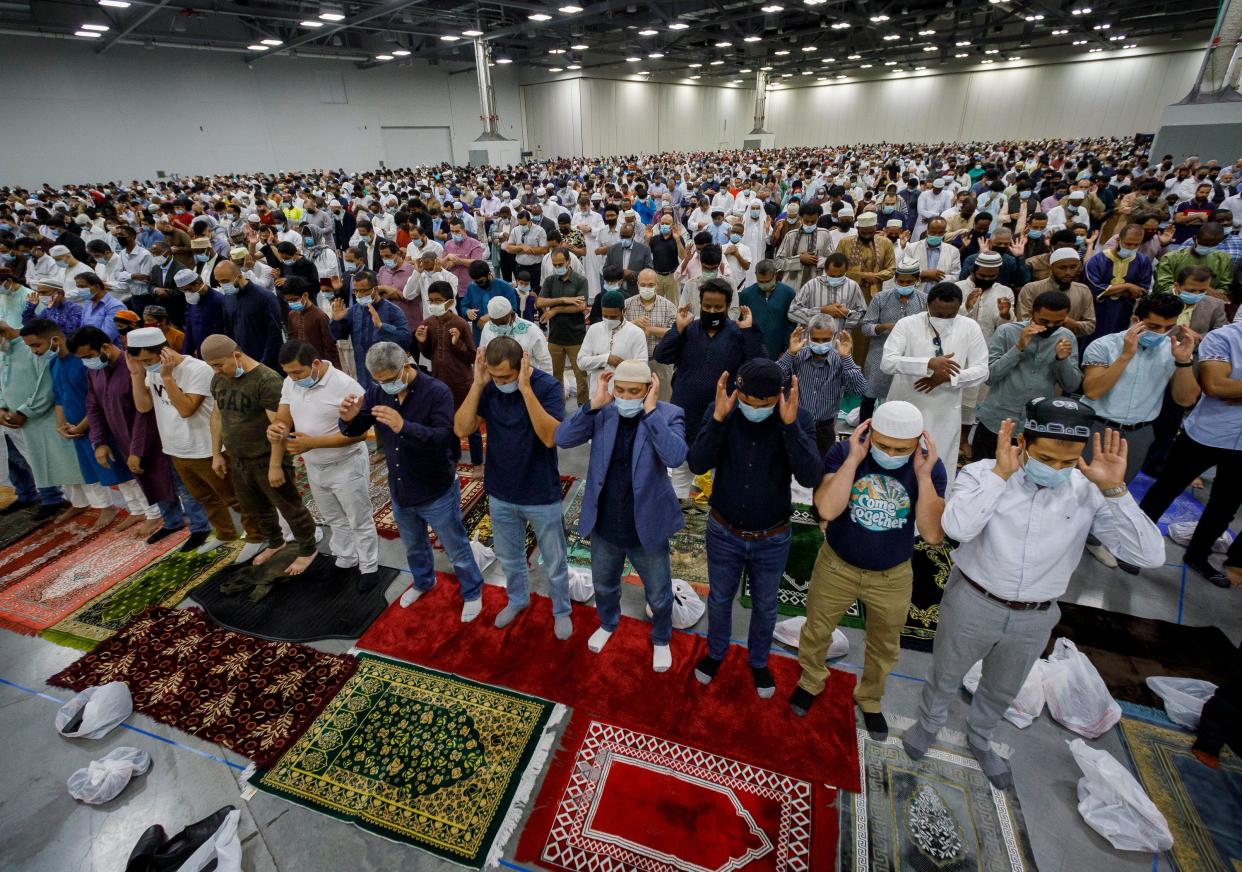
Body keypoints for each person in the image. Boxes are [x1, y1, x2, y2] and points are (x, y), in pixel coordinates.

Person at [902, 401, 1165, 788]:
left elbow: (1148, 555)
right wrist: (999, 476)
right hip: (974, 600)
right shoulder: (981, 474)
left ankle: (980, 738)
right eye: (1046, 458)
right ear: (1022, 442)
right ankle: (928, 724)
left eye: (1069, 461)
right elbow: (956, 528)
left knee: (1003, 686)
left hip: (1036, 615)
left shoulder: (1088, 492)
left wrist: (1115, 491)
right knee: (946, 672)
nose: (1057, 469)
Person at [791, 402, 947, 738]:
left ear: (918, 442)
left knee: (885, 644)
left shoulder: (929, 468)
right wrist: (852, 461)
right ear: (869, 432)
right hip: (837, 565)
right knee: (817, 630)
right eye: (883, 445)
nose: (890, 454)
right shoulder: (843, 452)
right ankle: (811, 680)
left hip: (891, 575)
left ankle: (871, 697)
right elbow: (828, 508)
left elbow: (933, 534)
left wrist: (922, 475)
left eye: (900, 449)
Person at [687, 358, 823, 698]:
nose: (753, 409)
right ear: (737, 391)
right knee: (719, 599)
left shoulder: (797, 419)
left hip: (772, 536)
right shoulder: (723, 412)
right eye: (747, 401)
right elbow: (697, 462)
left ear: (779, 395)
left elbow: (810, 476)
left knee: (765, 605)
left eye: (762, 405)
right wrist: (717, 420)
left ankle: (758, 661)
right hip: (724, 530)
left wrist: (790, 428)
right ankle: (716, 653)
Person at [554, 360, 684, 672]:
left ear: (649, 389)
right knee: (604, 585)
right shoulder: (603, 412)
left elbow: (676, 455)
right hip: (606, 522)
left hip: (646, 525)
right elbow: (562, 438)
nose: (625, 397)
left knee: (659, 592)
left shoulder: (667, 414)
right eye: (620, 390)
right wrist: (593, 403)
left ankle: (662, 637)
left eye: (634, 391)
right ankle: (609, 622)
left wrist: (651, 411)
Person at [454, 338, 571, 637]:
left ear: (523, 367)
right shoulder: (489, 386)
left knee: (555, 559)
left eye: (507, 376)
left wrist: (525, 389)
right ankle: (518, 599)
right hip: (501, 490)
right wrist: (478, 385)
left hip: (540, 490)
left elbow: (550, 437)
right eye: (496, 377)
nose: (501, 382)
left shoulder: (545, 387)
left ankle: (561, 609)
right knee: (509, 556)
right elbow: (462, 428)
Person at [124, 327, 254, 558]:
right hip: (177, 448)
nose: (146, 365)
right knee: (204, 497)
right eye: (140, 361)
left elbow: (186, 410)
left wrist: (166, 377)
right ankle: (225, 533)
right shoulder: (149, 370)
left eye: (147, 360)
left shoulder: (197, 370)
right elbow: (143, 407)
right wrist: (136, 374)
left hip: (205, 447)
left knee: (234, 497)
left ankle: (257, 536)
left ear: (163, 351)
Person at [201, 334, 319, 575]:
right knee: (255, 507)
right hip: (238, 457)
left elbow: (279, 428)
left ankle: (308, 548)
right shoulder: (219, 379)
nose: (217, 371)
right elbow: (217, 416)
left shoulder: (266, 380)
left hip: (266, 457)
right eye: (212, 366)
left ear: (236, 355)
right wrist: (217, 453)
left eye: (219, 364)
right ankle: (276, 542)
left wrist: (276, 465)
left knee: (289, 506)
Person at [267, 340, 380, 590]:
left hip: (346, 463)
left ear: (315, 364)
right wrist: (279, 428)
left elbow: (362, 433)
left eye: (298, 372)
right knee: (333, 516)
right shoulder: (290, 382)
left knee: (358, 517)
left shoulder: (345, 385)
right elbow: (284, 416)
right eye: (288, 373)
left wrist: (314, 443)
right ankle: (345, 558)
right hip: (314, 465)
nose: (293, 378)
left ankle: (369, 566)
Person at [1138, 320, 1242, 588]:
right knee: (1166, 489)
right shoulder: (1225, 337)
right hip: (1207, 434)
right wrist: (1227, 387)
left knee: (1225, 505)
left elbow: (1229, 386)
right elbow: (1216, 385)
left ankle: (1198, 555)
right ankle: (1135, 544)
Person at [654, 278, 766, 503]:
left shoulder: (738, 332)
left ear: (727, 307)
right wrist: (677, 329)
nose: (712, 311)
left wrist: (749, 332)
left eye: (718, 308)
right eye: (707, 307)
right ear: (700, 304)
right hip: (685, 409)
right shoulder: (689, 329)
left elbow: (759, 366)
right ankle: (677, 512)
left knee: (719, 463)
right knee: (681, 465)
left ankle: (717, 514)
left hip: (721, 413)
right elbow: (661, 356)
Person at [881, 282, 988, 485]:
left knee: (938, 463)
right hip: (906, 404)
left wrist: (949, 377)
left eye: (950, 315)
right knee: (897, 463)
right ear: (927, 306)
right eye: (939, 314)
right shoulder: (907, 324)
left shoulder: (969, 327)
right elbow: (887, 362)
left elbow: (982, 370)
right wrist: (928, 364)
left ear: (959, 308)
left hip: (944, 412)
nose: (944, 320)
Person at [972, 290, 1080, 460]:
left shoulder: (1067, 338)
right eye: (1044, 321)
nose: (1050, 327)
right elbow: (990, 377)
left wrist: (1062, 360)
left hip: (1034, 426)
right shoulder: (1006, 332)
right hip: (996, 421)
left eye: (1058, 322)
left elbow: (1071, 385)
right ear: (1032, 313)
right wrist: (1019, 348)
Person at [414, 280, 481, 476]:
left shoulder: (460, 324)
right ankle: (454, 458)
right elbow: (429, 354)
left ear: (450, 302)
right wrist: (422, 342)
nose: (433, 304)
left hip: (462, 382)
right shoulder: (428, 324)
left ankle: (478, 463)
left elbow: (471, 355)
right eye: (430, 300)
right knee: (447, 423)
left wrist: (456, 343)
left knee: (471, 424)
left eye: (438, 300)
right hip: (440, 382)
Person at [778, 316, 867, 453]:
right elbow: (776, 380)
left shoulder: (840, 360)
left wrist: (847, 358)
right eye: (816, 339)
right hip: (796, 422)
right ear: (809, 336)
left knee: (822, 467)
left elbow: (860, 389)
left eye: (825, 340)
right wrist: (790, 353)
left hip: (825, 428)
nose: (820, 344)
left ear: (834, 337)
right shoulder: (798, 356)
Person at [859, 259, 928, 421]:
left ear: (917, 280)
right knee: (869, 396)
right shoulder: (880, 298)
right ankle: (863, 433)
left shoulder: (924, 300)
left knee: (904, 399)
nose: (904, 285)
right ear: (895, 279)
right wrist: (884, 327)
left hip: (910, 357)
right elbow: (865, 327)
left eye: (908, 282)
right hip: (879, 355)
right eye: (900, 281)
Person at [329, 269, 412, 389]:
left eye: (363, 291)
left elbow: (406, 340)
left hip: (389, 374)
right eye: (356, 291)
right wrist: (337, 321)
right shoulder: (354, 310)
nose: (359, 295)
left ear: (375, 289)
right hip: (363, 374)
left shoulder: (393, 311)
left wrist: (382, 326)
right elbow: (338, 335)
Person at [536, 247, 589, 403]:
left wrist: (556, 310)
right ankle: (557, 406)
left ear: (568, 261)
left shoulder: (580, 280)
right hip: (555, 338)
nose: (558, 267)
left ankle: (583, 410)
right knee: (555, 376)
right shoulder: (550, 281)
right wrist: (563, 300)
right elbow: (540, 302)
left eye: (560, 264)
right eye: (555, 264)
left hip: (576, 337)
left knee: (581, 378)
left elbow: (581, 306)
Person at [1083, 223, 1153, 339]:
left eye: (1136, 245)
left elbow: (1141, 291)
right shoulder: (1097, 260)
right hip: (1097, 311)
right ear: (1118, 239)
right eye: (1128, 243)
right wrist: (1128, 287)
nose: (1131, 247)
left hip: (1124, 312)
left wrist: (1113, 290)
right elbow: (1093, 288)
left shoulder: (1143, 261)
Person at [212, 261, 284, 369]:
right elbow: (228, 330)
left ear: (239, 276)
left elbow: (274, 335)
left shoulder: (265, 297)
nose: (223, 285)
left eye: (225, 281)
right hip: (243, 361)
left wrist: (263, 365)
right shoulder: (228, 298)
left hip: (268, 364)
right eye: (219, 282)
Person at [577, 289, 649, 397]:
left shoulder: (636, 333)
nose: (608, 320)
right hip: (597, 394)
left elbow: (643, 368)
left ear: (623, 311)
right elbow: (581, 362)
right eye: (605, 316)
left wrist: (623, 366)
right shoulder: (594, 330)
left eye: (613, 317)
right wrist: (606, 359)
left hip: (625, 397)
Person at [1016, 247, 1096, 339]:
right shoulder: (1031, 289)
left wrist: (1072, 324)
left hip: (1066, 345)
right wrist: (1051, 321)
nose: (1068, 272)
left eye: (1073, 267)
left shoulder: (1083, 291)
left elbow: (1091, 326)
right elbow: (1022, 322)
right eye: (1062, 268)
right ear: (1051, 268)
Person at [624, 268, 678, 400]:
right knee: (635, 401)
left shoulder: (668, 306)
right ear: (637, 284)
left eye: (650, 285)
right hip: (633, 362)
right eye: (643, 285)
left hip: (660, 363)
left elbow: (675, 333)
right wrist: (634, 324)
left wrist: (650, 329)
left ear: (657, 285)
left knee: (663, 400)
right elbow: (618, 330)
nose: (646, 288)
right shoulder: (627, 304)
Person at [738, 259, 796, 359]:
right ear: (756, 275)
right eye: (761, 281)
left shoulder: (788, 293)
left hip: (777, 349)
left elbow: (790, 325)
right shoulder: (746, 294)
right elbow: (741, 322)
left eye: (768, 281)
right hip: (751, 350)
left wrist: (786, 349)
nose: (764, 284)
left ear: (775, 275)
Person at [478, 296, 552, 373]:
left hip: (527, 378)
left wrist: (545, 383)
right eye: (495, 323)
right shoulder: (488, 327)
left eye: (502, 322)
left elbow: (545, 360)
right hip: (496, 379)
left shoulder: (531, 330)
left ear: (511, 314)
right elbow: (483, 355)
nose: (499, 326)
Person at [1154, 223, 1234, 294]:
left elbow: (1225, 287)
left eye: (1213, 245)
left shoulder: (1224, 259)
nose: (1208, 247)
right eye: (1204, 243)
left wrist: (1205, 295)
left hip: (1208, 303)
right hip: (1173, 301)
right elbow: (1162, 286)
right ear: (1194, 238)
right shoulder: (1171, 258)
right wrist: (1192, 291)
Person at [281, 277, 340, 367]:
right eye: (288, 301)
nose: (291, 303)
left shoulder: (320, 316)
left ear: (305, 295)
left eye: (294, 300)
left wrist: (330, 370)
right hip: (302, 365)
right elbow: (292, 340)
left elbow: (330, 348)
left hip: (320, 365)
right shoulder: (291, 315)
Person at [179, 269, 226, 358]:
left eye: (188, 290)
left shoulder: (218, 300)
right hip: (200, 353)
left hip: (218, 353)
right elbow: (189, 329)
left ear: (197, 283)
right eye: (183, 291)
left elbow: (224, 330)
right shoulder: (192, 301)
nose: (187, 294)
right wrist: (186, 355)